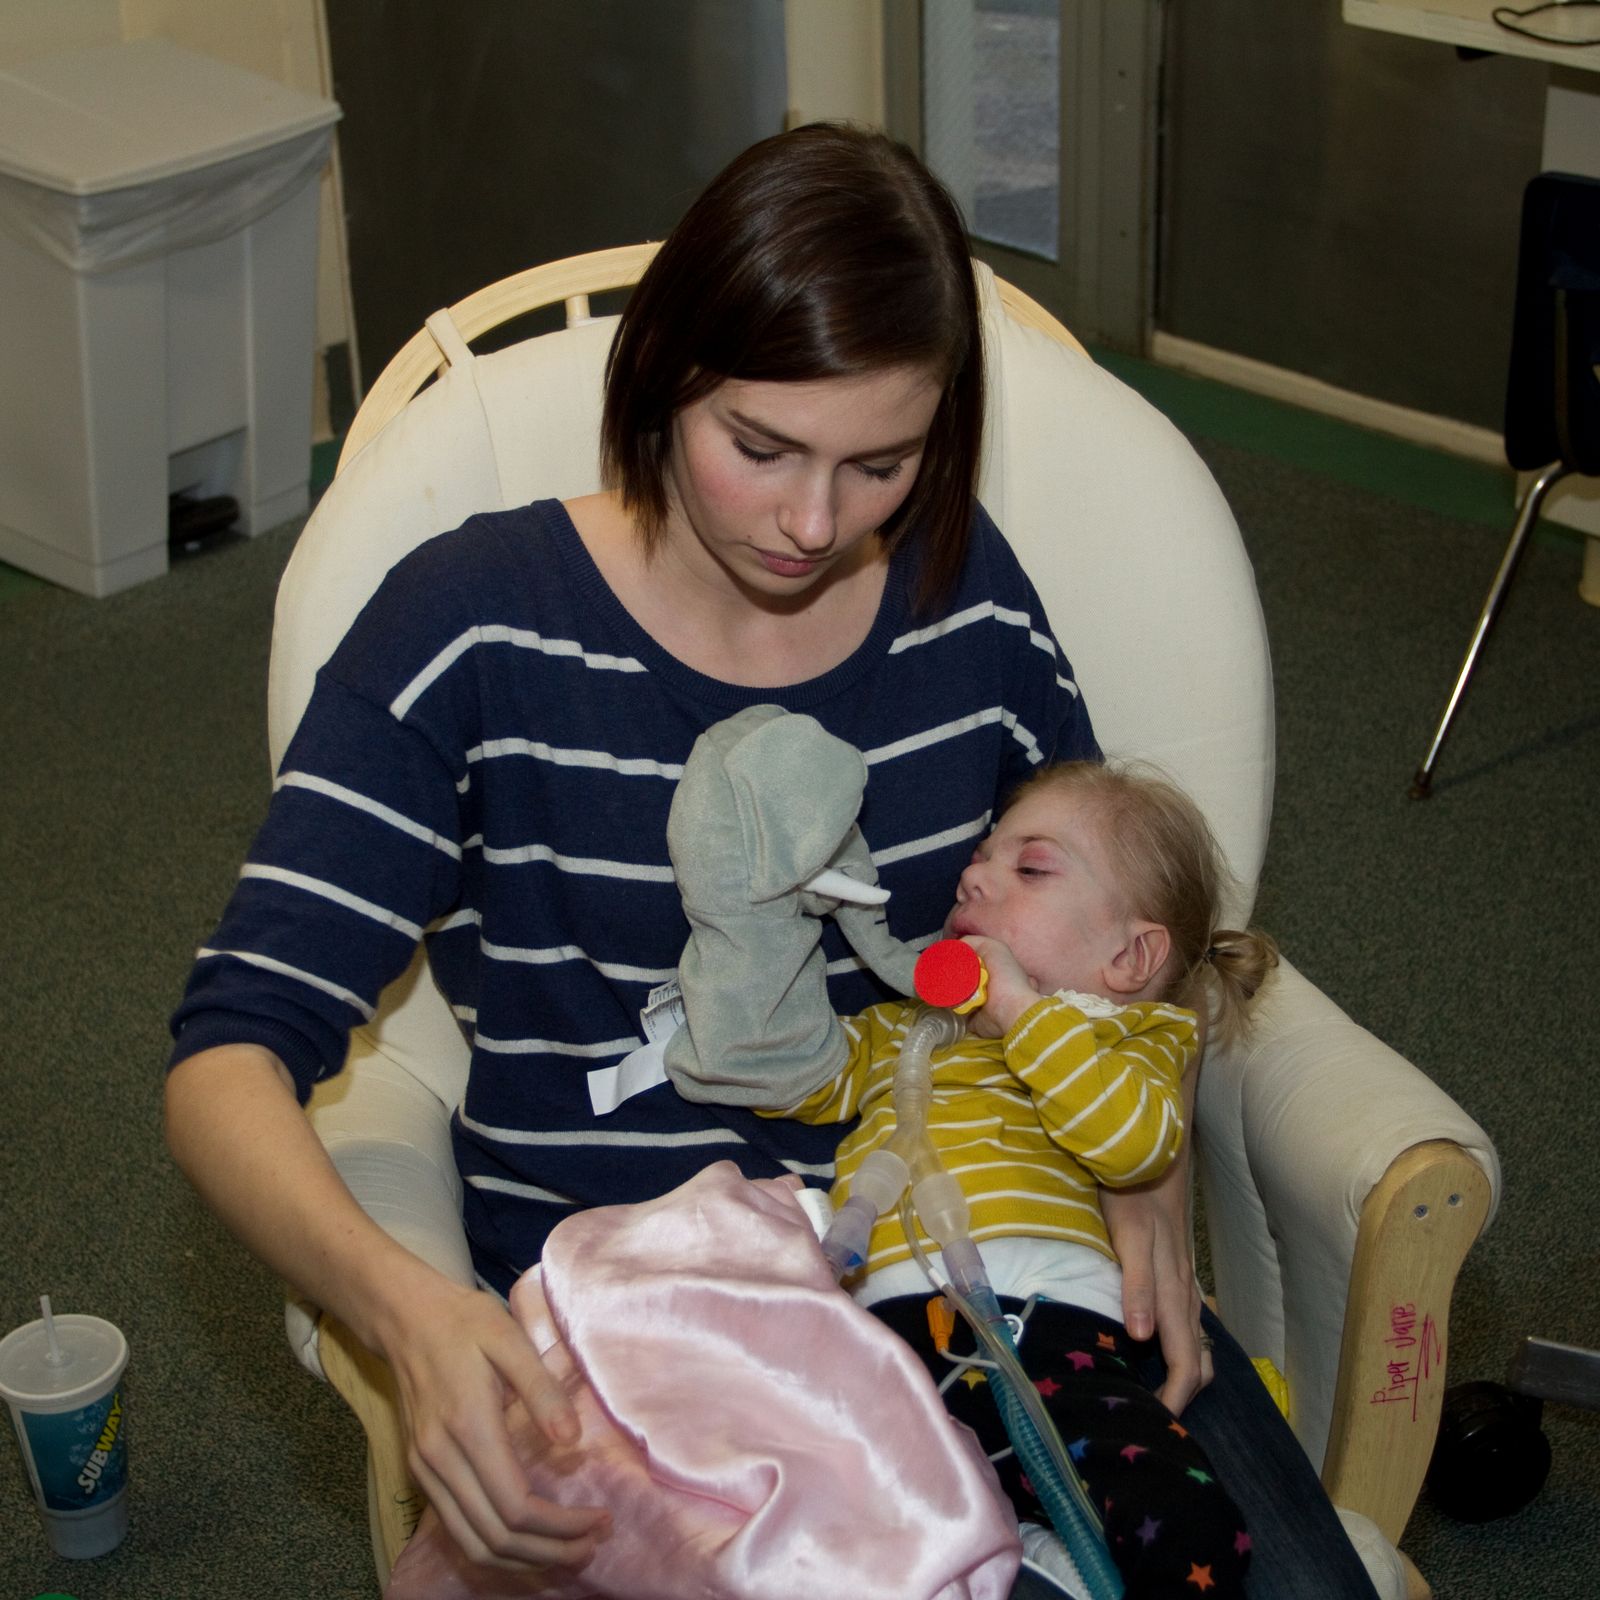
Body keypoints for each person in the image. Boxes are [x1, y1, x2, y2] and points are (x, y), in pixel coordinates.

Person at [161, 122, 1380, 1599]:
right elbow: (227, 1057)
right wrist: (409, 1315)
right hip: (641, 1329)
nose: (814, 523)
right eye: (761, 449)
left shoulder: (966, 601)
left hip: (979, 1272)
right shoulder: (471, 623)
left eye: (882, 464)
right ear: (662, 375)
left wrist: (1147, 1168)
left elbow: (1115, 914)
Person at [735, 759, 1276, 1597]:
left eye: (1030, 869)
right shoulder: (903, 1029)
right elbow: (791, 1079)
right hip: (883, 1338)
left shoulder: (1134, 1037)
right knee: (835, 1529)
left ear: (1131, 956)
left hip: (1053, 1330)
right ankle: (1024, 1555)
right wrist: (758, 934)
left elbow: (1135, 1144)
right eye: (981, 858)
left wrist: (1025, 1013)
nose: (974, 877)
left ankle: (1061, 1552)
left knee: (1191, 1526)